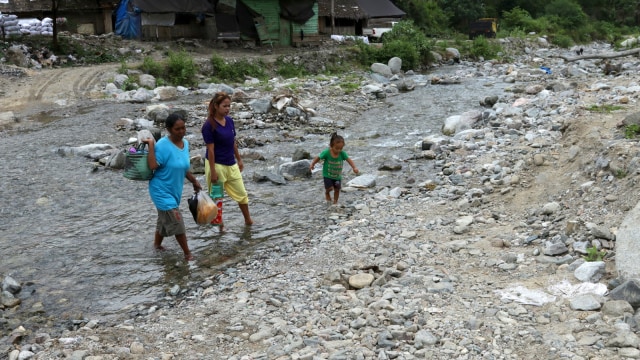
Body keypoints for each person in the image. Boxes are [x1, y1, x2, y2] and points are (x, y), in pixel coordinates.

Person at [142, 113, 202, 261]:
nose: (181, 132)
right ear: (168, 129)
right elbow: (153, 165)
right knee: (176, 221)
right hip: (160, 190)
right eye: (177, 129)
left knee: (164, 220)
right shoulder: (163, 145)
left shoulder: (185, 144)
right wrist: (151, 145)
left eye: (183, 128)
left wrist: (194, 181)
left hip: (173, 191)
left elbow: (183, 167)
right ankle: (187, 254)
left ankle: (156, 246)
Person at [201, 92, 253, 229]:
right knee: (217, 197)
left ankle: (248, 220)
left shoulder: (229, 121)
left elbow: (232, 142)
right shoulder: (209, 125)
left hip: (231, 163)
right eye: (224, 106)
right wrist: (212, 171)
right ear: (216, 106)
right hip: (216, 165)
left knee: (242, 194)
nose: (227, 109)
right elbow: (210, 150)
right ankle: (220, 227)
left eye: (229, 106)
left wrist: (239, 159)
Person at [309, 132, 359, 204]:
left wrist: (354, 167)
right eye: (337, 148)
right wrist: (312, 164)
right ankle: (327, 193)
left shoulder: (342, 153)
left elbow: (349, 160)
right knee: (330, 188)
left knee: (337, 189)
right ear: (331, 146)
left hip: (337, 177)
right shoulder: (326, 152)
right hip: (327, 175)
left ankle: (335, 202)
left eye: (340, 148)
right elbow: (318, 158)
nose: (338, 150)